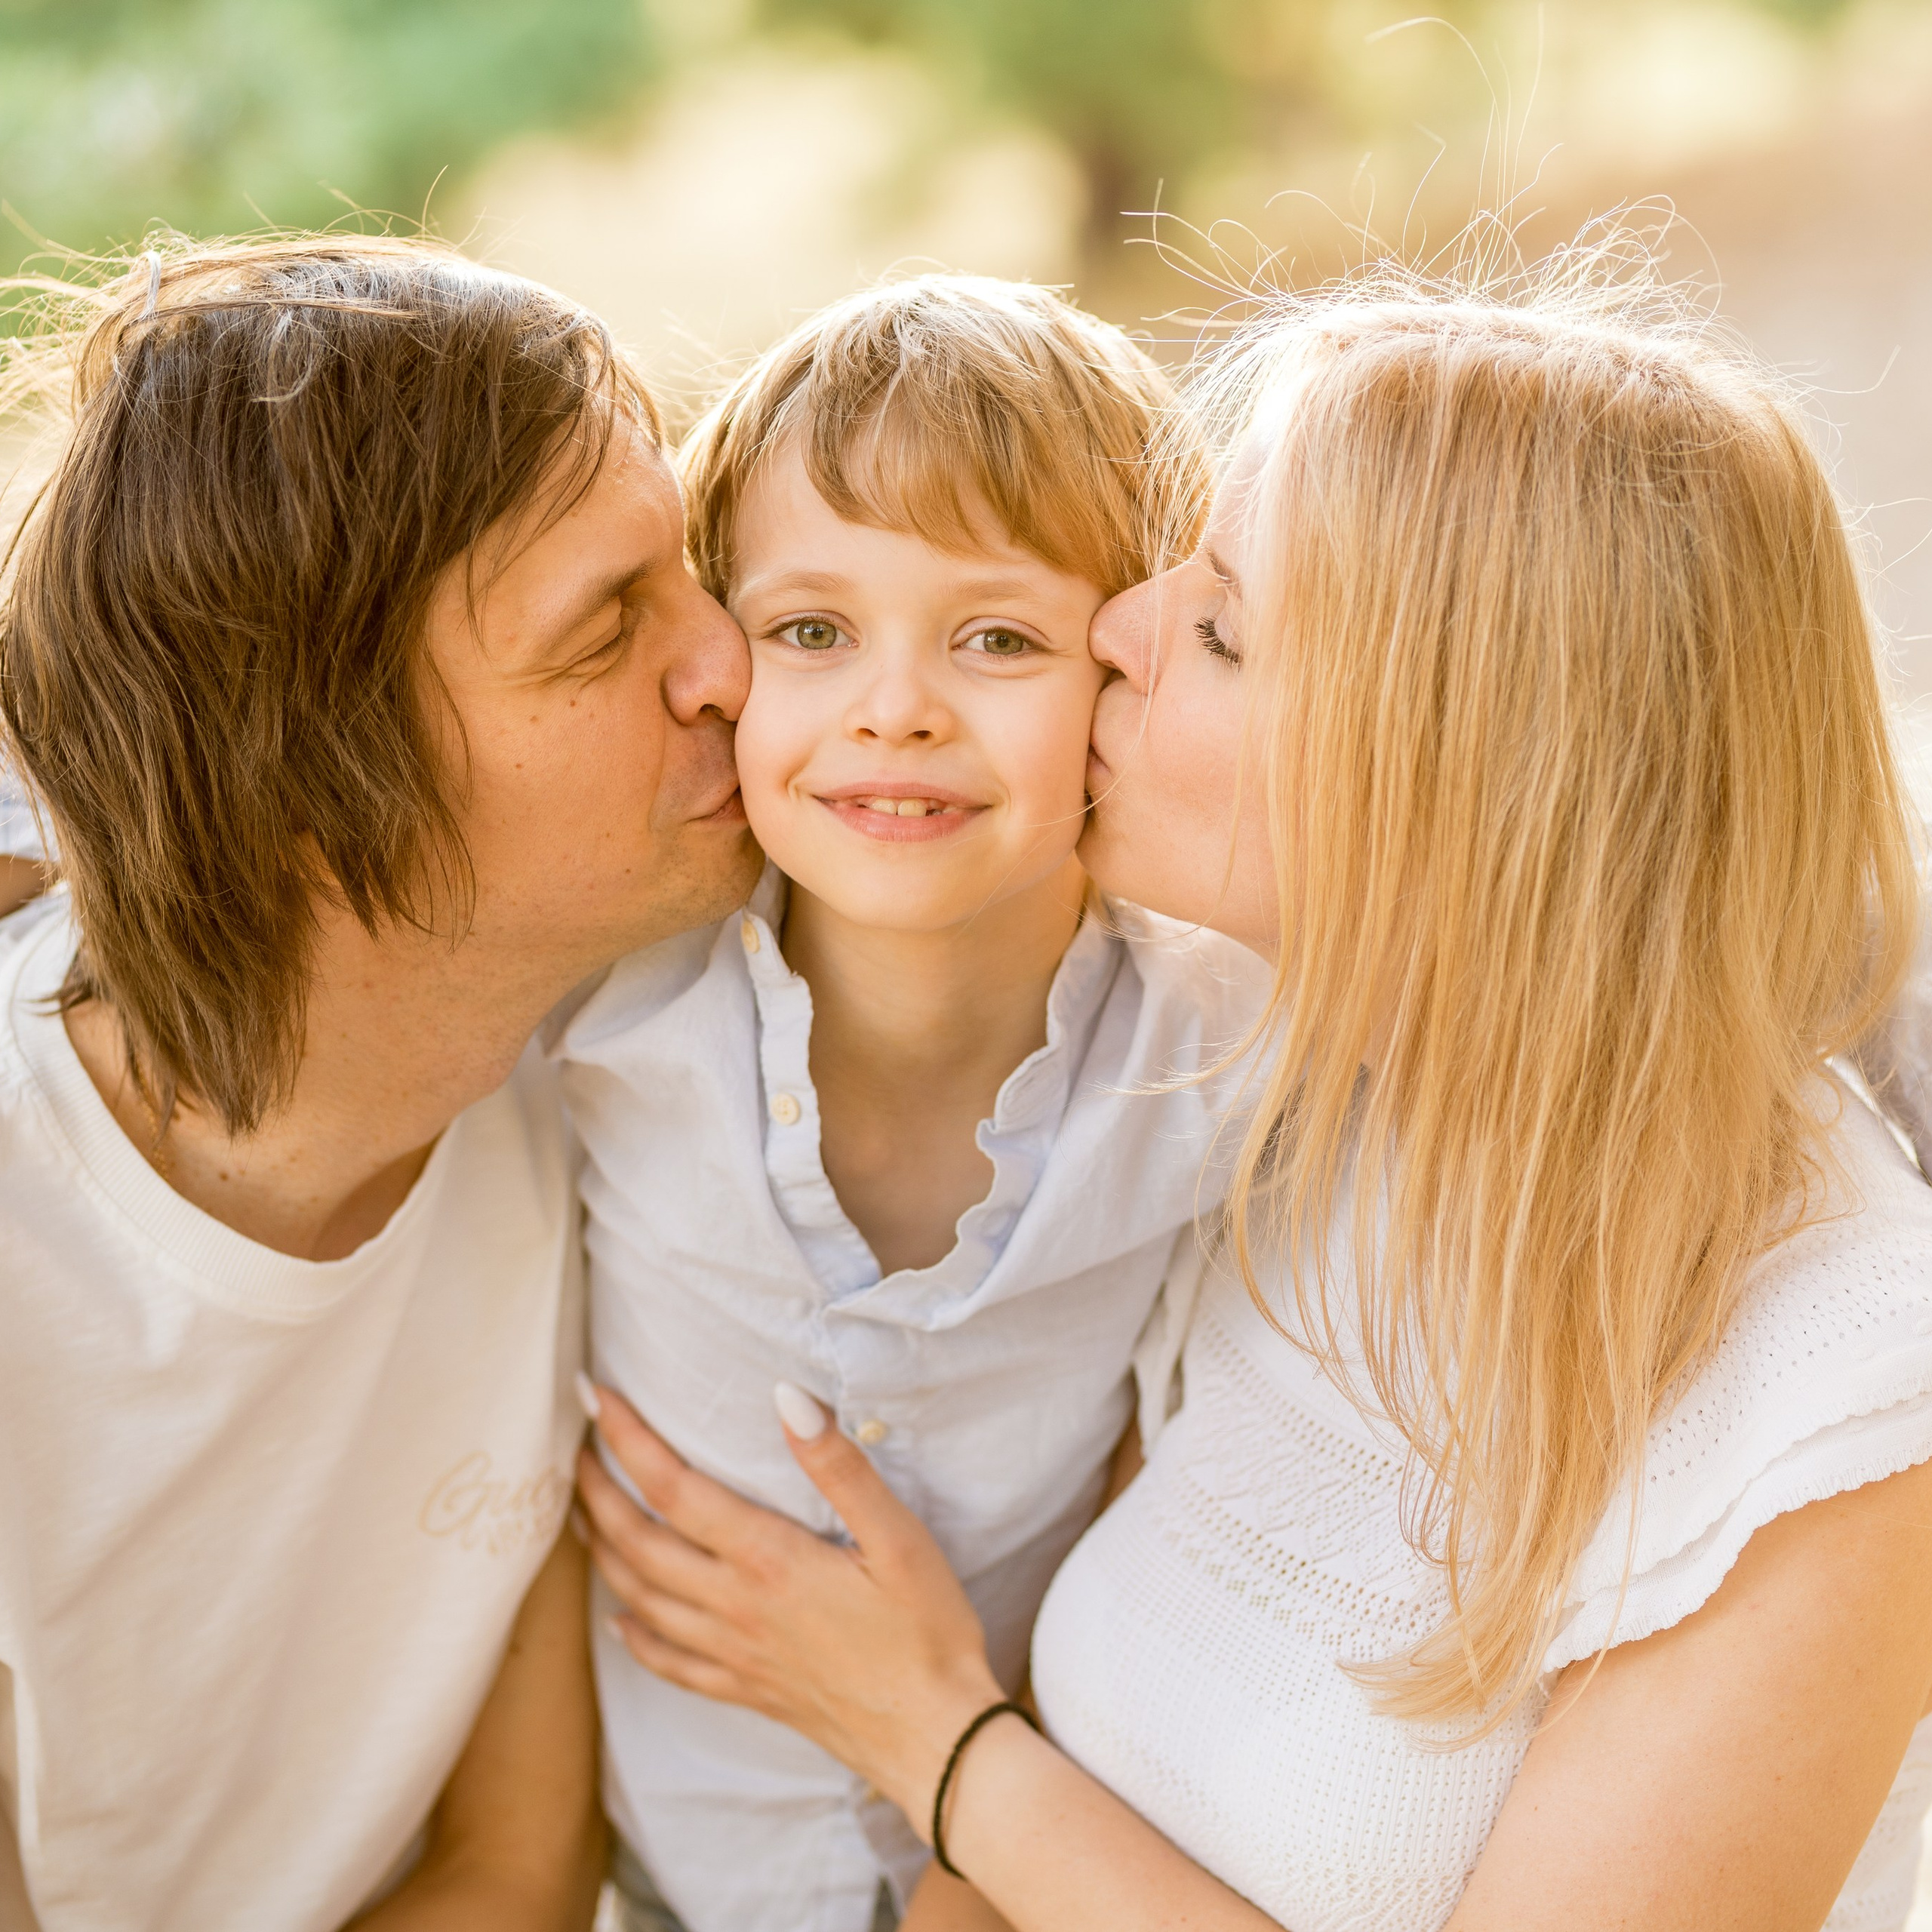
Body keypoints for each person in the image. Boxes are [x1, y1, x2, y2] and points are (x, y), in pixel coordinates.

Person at [574, 249, 1932, 1932]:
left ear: (1463, 767)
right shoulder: (1303, 1121)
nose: (1118, 627)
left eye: (1217, 627)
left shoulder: (1841, 1393)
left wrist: (933, 1738)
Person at [0, 237, 758, 1931]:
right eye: (604, 628)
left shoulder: (591, 1065)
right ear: (310, 788)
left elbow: (520, 1867)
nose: (729, 662)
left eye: (689, 574)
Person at [565, 275, 1265, 1932]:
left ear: (1126, 665)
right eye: (812, 631)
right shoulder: (603, 1004)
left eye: (997, 638)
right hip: (656, 1888)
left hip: (1033, 1880)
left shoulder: (1221, 1049)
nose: (895, 708)